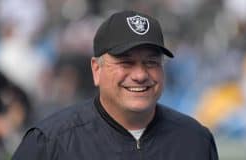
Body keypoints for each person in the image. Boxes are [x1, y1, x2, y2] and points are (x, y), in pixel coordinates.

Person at [12, 10, 219, 160]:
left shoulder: (195, 140)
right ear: (96, 70)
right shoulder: (51, 143)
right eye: (125, 62)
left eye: (151, 62)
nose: (140, 74)